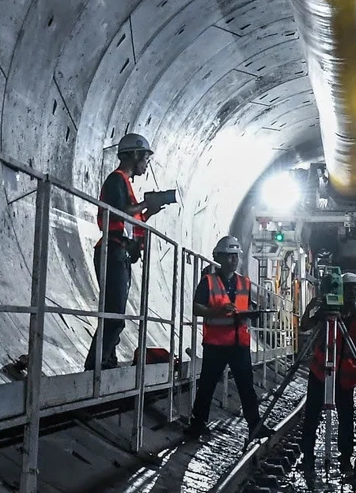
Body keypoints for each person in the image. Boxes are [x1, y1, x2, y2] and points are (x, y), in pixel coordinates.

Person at [87, 132, 170, 368]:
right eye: (145, 158)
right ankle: (96, 366)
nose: (146, 163)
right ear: (135, 154)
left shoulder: (124, 184)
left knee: (116, 314)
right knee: (113, 315)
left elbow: (128, 221)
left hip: (120, 252)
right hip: (112, 250)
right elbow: (119, 212)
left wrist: (149, 213)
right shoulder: (116, 180)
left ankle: (106, 361)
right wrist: (146, 204)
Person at [186, 235, 263, 440]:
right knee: (208, 385)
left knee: (247, 387)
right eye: (229, 256)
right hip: (216, 344)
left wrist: (252, 312)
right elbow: (196, 308)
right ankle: (197, 425)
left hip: (239, 343)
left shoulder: (244, 283)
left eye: (235, 256)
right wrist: (218, 311)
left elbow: (246, 306)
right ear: (219, 257)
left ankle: (255, 425)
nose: (233, 260)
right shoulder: (208, 282)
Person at [303, 271, 356, 479]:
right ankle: (307, 457)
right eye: (348, 288)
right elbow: (305, 325)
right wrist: (312, 307)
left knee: (347, 416)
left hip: (345, 375)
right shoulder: (326, 313)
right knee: (312, 414)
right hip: (320, 371)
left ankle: (345, 459)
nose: (352, 292)